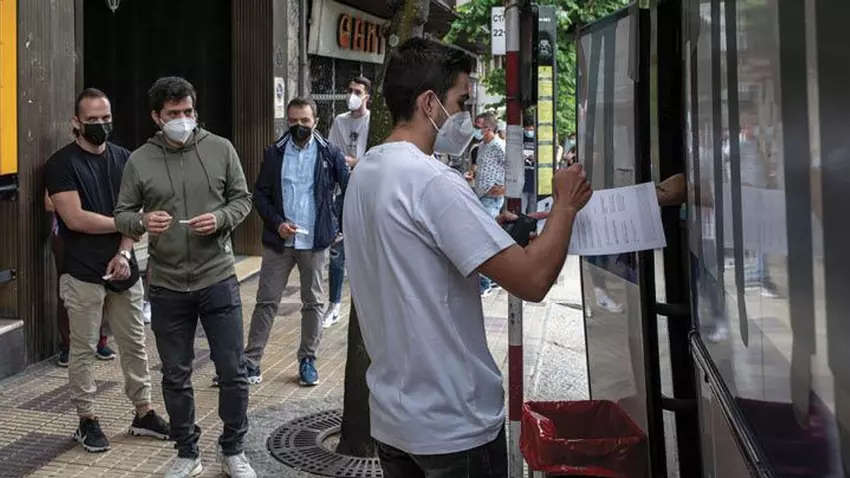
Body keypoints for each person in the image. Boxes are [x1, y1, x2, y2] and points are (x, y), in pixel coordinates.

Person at [343, 37, 592, 478]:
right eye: (460, 101)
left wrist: (493, 231)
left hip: (393, 420)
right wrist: (566, 205)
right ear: (429, 103)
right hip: (453, 424)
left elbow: (416, 254)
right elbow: (533, 279)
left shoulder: (366, 172)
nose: (466, 117)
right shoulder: (432, 180)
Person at [114, 76, 256, 478]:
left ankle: (233, 450)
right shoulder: (139, 160)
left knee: (233, 371)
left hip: (218, 277)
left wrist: (221, 218)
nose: (183, 119)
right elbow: (122, 214)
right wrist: (143, 221)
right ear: (157, 117)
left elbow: (242, 199)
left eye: (188, 111)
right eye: (173, 113)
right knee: (175, 375)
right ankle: (186, 452)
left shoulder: (220, 149)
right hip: (167, 284)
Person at [44, 88, 169, 453]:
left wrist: (125, 252)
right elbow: (75, 218)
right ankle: (87, 419)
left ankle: (144, 412)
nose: (101, 125)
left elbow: (136, 212)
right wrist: (126, 222)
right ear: (76, 122)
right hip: (82, 271)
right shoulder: (61, 164)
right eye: (92, 120)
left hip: (123, 267)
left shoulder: (125, 159)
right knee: (83, 349)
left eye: (106, 118)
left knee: (134, 344)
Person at [244, 97, 349, 387]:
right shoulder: (274, 152)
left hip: (314, 242)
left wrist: (336, 224)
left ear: (316, 121)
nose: (298, 126)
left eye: (304, 120)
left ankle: (307, 360)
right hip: (279, 242)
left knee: (313, 302)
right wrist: (277, 223)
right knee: (266, 301)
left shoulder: (330, 153)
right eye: (293, 121)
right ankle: (251, 361)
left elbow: (348, 188)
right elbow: (260, 195)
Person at [45, 191, 115, 367]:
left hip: (100, 232)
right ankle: (68, 346)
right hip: (66, 235)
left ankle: (100, 341)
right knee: (68, 289)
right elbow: (49, 203)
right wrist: (74, 210)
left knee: (102, 285)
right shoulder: (60, 172)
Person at [324, 76, 370, 328]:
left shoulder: (372, 121)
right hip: (342, 192)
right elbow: (332, 154)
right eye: (350, 90)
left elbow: (376, 157)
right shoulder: (339, 121)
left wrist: (354, 162)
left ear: (367, 97)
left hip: (366, 191)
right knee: (337, 250)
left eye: (357, 91)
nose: (352, 95)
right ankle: (334, 305)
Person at [473, 112, 506, 296]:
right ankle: (492, 279)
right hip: (481, 195)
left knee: (483, 238)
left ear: (488, 128)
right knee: (486, 237)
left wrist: (505, 188)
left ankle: (485, 283)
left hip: (492, 198)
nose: (475, 130)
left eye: (478, 126)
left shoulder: (499, 146)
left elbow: (514, 167)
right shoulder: (481, 146)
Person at [521, 115, 536, 214]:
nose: (529, 132)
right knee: (521, 211)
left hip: (535, 181)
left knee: (533, 212)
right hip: (522, 181)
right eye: (527, 129)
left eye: (531, 129)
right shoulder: (519, 138)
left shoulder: (539, 139)